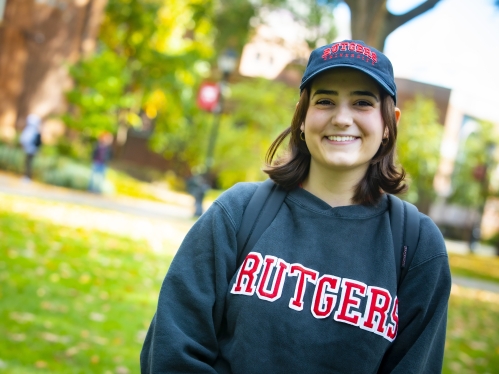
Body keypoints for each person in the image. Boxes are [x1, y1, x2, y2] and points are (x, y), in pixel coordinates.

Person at [141, 40, 451, 373]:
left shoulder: (418, 247)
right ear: (302, 117)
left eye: (362, 102)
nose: (342, 118)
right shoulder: (238, 213)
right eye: (325, 100)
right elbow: (172, 351)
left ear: (390, 122)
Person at [19, 114, 42, 181]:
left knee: (28, 164)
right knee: (26, 163)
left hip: (31, 150)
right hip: (28, 149)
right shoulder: (31, 130)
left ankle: (27, 177)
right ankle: (26, 176)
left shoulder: (33, 131)